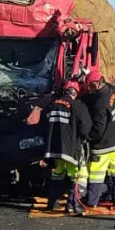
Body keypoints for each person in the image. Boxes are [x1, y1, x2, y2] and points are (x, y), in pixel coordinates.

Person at [44, 80, 92, 213]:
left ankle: (52, 203)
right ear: (75, 92)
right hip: (70, 149)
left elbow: (45, 124)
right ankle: (74, 205)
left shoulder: (52, 104)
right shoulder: (76, 105)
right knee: (77, 175)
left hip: (54, 149)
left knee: (57, 174)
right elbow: (86, 127)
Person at [84, 70, 115, 209]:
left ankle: (92, 202)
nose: (89, 89)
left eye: (90, 86)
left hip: (104, 146)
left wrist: (87, 138)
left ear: (96, 84)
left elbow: (98, 129)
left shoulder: (100, 103)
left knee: (96, 174)